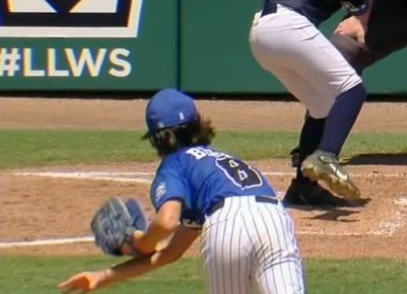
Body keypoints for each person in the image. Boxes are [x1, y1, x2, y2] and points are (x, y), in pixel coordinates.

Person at [58, 88, 305, 294]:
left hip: (229, 223)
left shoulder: (174, 164)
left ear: (156, 139)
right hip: (275, 220)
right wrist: (103, 277)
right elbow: (170, 253)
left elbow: (166, 222)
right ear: (197, 123)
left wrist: (137, 241)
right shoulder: (219, 161)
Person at [249, 0, 380, 207]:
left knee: (323, 104)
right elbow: (359, 2)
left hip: (264, 33)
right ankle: (327, 157)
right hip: (287, 25)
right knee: (352, 89)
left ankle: (304, 188)